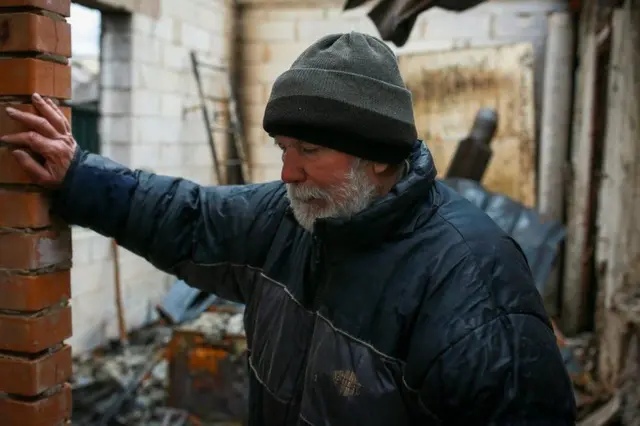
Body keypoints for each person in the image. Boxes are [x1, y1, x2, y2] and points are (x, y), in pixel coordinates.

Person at [2, 32, 576, 425]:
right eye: (282, 147)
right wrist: (79, 177)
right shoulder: (295, 216)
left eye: (309, 149)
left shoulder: (474, 289)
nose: (287, 172)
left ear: (378, 157)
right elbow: (189, 216)